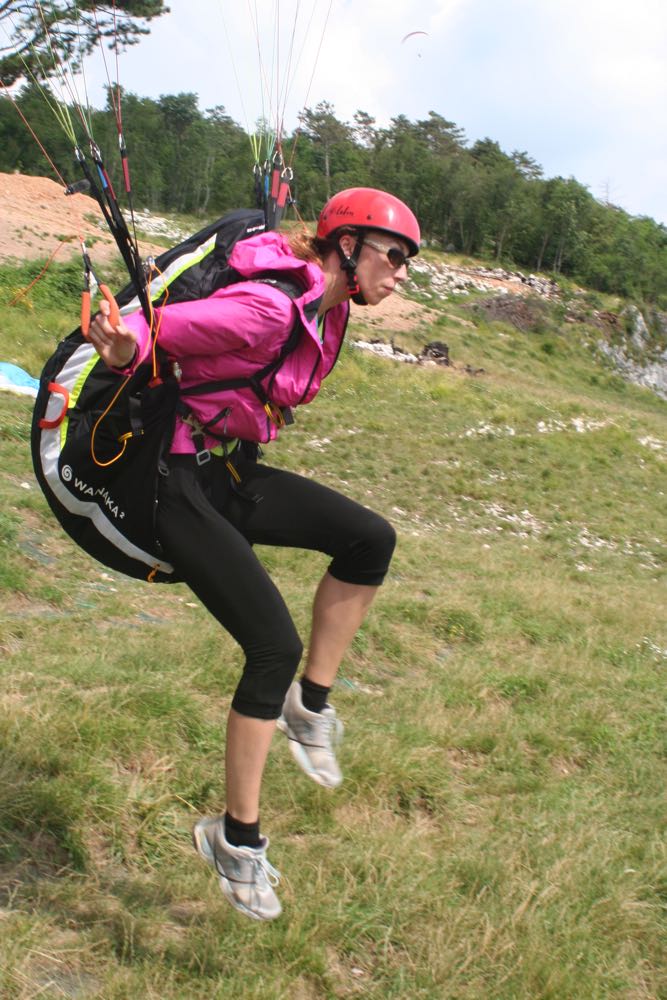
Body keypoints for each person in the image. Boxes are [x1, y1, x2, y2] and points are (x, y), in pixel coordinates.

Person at [88, 187, 420, 921]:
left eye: (406, 263)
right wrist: (124, 344)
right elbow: (154, 330)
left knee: (369, 539)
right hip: (175, 480)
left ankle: (310, 707)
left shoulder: (328, 311)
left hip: (225, 469)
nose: (400, 274)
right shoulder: (269, 308)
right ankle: (235, 841)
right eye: (393, 256)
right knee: (273, 647)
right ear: (347, 248)